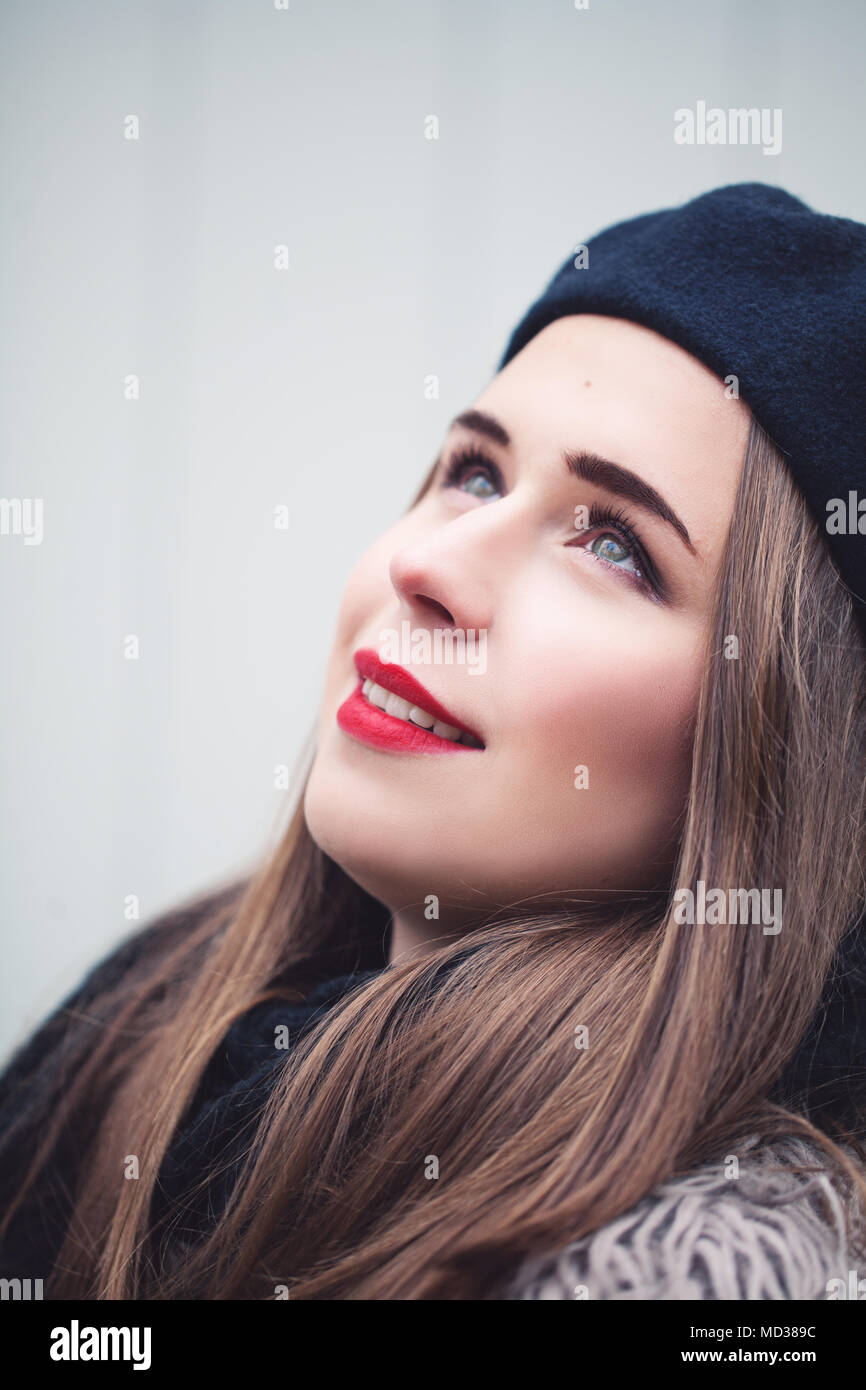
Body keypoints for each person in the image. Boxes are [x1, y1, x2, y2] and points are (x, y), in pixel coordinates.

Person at [2, 182, 865, 1301]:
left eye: (613, 545)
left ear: (789, 755)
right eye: (474, 473)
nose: (431, 566)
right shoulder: (133, 1031)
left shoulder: (699, 1285)